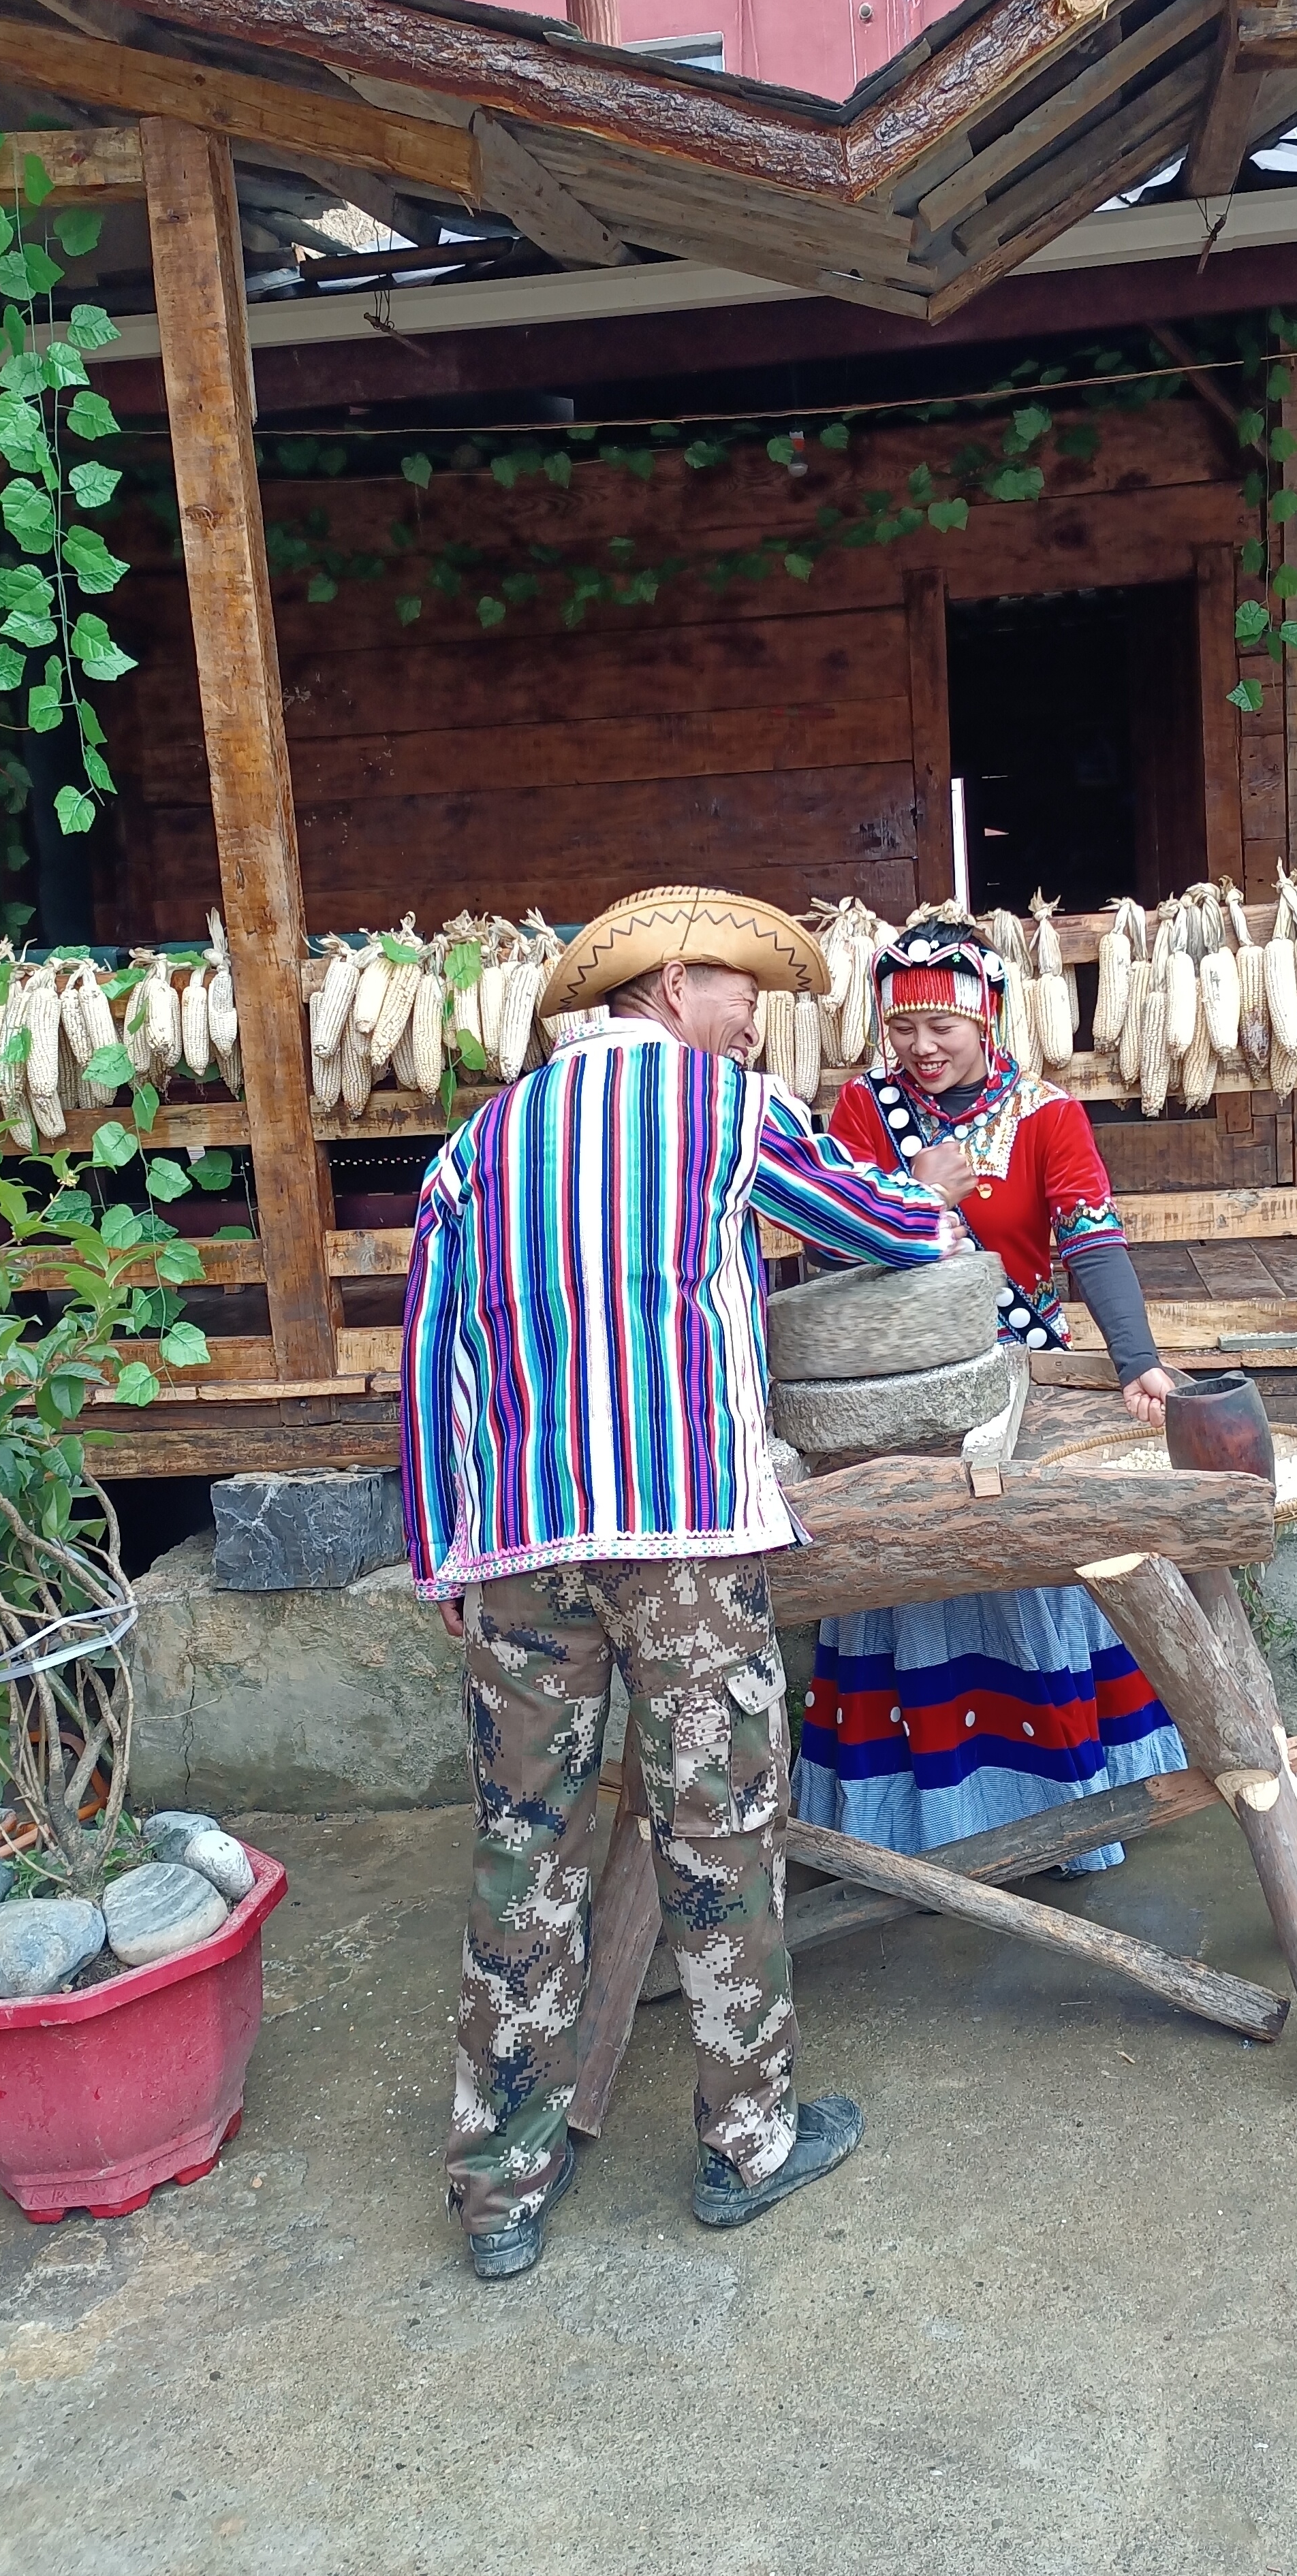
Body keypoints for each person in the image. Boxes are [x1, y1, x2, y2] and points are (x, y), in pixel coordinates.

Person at [400, 884, 975, 2283]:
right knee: (719, 1830)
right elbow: (884, 1225)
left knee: (524, 1843)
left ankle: (501, 2184)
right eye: (740, 993)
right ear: (672, 990)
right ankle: (747, 2145)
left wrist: (440, 1550)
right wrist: (943, 1194)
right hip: (686, 1539)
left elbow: (429, 1360)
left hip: (521, 1548)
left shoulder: (476, 1143)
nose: (754, 1020)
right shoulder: (726, 1107)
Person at [794, 915, 1187, 1871]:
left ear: (988, 1019)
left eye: (943, 1027)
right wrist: (916, 1193)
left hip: (1015, 1381)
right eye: (902, 1028)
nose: (921, 1048)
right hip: (895, 1391)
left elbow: (1092, 1240)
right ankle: (918, 1829)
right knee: (907, 1575)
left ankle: (1056, 1818)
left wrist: (1136, 1360)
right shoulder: (862, 1111)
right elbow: (830, 1250)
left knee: (1020, 1567)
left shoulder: (1047, 1114)